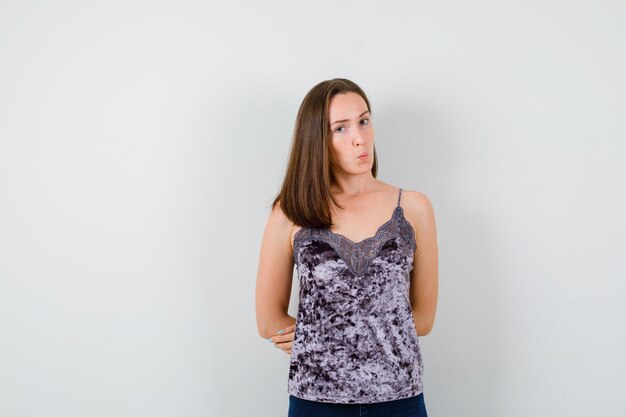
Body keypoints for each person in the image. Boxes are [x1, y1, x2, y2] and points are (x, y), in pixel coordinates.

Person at [255, 78, 439, 417]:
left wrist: (344, 331)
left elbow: (423, 320)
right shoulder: (291, 211)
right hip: (315, 400)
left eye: (364, 121)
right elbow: (268, 321)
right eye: (340, 128)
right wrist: (319, 336)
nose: (359, 138)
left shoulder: (414, 207)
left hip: (400, 399)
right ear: (317, 140)